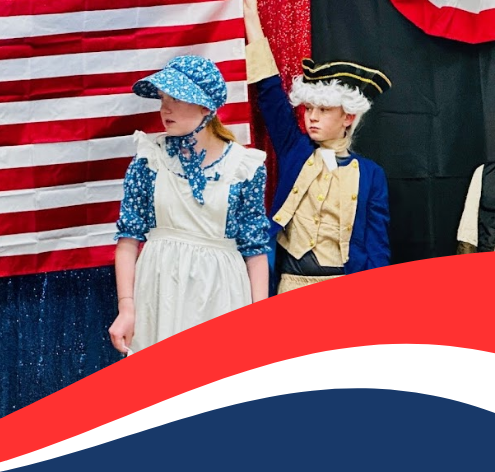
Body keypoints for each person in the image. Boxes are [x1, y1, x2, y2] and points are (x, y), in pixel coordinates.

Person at [108, 55, 271, 355]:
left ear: (205, 106)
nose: (164, 108)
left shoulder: (243, 166)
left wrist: (258, 319)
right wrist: (126, 308)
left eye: (177, 98)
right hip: (160, 293)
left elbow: (255, 250)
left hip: (221, 293)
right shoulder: (149, 161)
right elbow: (128, 240)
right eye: (162, 98)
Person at [244, 0, 391, 294]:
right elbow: (270, 92)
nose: (311, 116)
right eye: (309, 108)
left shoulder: (371, 174)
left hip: (344, 290)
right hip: (290, 284)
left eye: (323, 110)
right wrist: (251, 19)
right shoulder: (295, 150)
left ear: (347, 116)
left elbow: (377, 245)